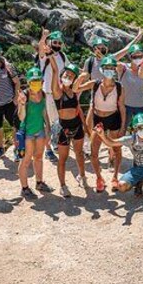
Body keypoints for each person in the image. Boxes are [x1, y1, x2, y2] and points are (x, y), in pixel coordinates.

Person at [73, 55, 126, 193]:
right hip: (98, 118)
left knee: (116, 149)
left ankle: (115, 177)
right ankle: (99, 178)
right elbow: (76, 89)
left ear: (115, 70)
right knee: (94, 151)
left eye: (111, 68)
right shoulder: (95, 84)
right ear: (102, 69)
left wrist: (122, 127)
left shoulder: (119, 87)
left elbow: (122, 107)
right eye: (106, 67)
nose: (109, 70)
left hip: (113, 117)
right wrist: (80, 78)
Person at [48, 62, 89, 196]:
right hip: (63, 128)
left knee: (79, 154)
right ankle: (63, 185)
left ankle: (82, 176)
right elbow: (54, 72)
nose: (68, 77)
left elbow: (79, 110)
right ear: (61, 76)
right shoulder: (57, 92)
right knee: (63, 159)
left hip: (77, 126)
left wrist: (85, 126)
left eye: (71, 76)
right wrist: (52, 61)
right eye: (66, 75)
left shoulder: (74, 92)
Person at [15, 67, 53, 198]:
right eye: (33, 81)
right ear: (29, 81)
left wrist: (48, 128)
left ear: (42, 81)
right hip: (27, 133)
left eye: (38, 80)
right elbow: (21, 117)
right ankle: (24, 188)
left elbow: (44, 112)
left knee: (38, 158)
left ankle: (39, 182)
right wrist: (21, 104)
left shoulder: (42, 94)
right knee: (26, 161)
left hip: (40, 131)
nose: (36, 83)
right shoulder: (24, 95)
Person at [38, 29, 67, 163]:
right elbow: (40, 48)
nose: (57, 45)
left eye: (59, 43)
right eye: (54, 42)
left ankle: (56, 145)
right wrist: (44, 36)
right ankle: (48, 149)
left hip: (60, 93)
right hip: (48, 93)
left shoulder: (62, 56)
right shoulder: (45, 56)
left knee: (58, 121)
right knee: (48, 123)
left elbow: (68, 70)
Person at [118, 44, 143, 129]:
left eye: (140, 55)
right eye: (134, 56)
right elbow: (112, 60)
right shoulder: (123, 68)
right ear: (130, 56)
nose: (137, 58)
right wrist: (127, 49)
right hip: (125, 106)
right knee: (122, 129)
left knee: (141, 130)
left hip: (141, 106)